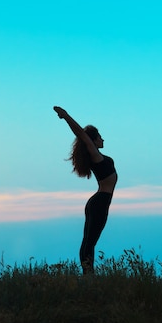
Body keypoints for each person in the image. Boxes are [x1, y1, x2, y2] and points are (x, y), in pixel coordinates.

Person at [53, 106, 118, 274]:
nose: (103, 139)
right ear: (94, 141)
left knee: (89, 241)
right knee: (90, 242)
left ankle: (88, 275)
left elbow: (83, 137)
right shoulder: (96, 156)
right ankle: (88, 276)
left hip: (98, 202)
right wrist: (66, 116)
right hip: (99, 202)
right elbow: (81, 135)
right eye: (100, 137)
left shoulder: (99, 157)